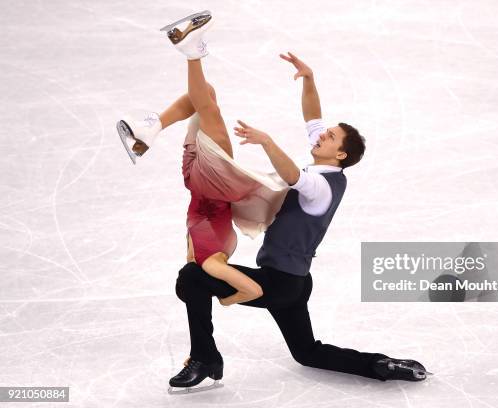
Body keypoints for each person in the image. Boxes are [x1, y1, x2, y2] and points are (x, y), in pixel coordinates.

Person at [166, 13, 431, 390]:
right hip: (293, 282)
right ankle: (383, 365)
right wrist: (309, 79)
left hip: (279, 282)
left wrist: (266, 141)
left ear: (340, 155)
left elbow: (293, 176)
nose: (322, 136)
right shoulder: (329, 168)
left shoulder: (322, 185)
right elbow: (313, 117)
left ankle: (206, 357)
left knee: (192, 277)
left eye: (330, 138)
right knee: (307, 352)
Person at [116, 11, 289, 309]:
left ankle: (191, 51)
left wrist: (228, 299)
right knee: (205, 97)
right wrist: (225, 296)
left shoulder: (209, 263)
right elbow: (249, 288)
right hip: (200, 178)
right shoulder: (209, 260)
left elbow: (254, 291)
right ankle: (150, 130)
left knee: (208, 107)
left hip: (212, 182)